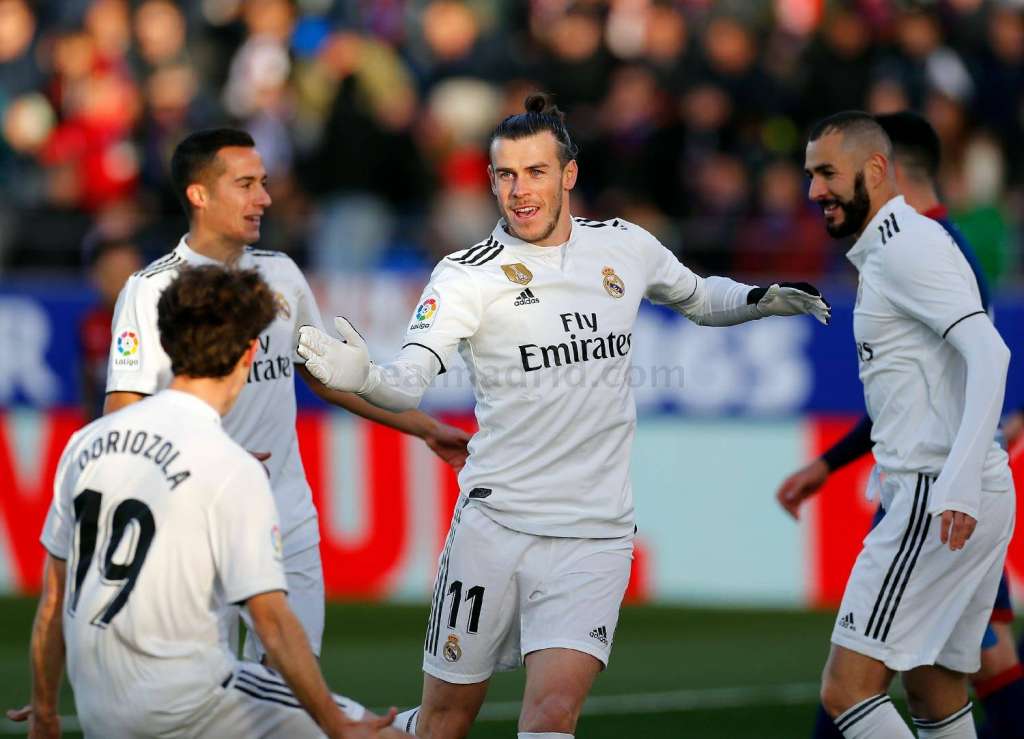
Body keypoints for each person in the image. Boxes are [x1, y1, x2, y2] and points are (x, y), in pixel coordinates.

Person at [297, 93, 832, 739]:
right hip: (496, 527)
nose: (520, 190)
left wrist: (759, 298)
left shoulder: (624, 247)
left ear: (569, 174)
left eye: (535, 171)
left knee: (552, 715)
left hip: (595, 534)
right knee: (445, 724)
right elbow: (412, 375)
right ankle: (372, 729)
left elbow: (698, 295)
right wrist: (369, 378)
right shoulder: (466, 276)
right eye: (506, 175)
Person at [103, 128, 470, 662]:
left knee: (291, 689)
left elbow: (323, 377)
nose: (265, 199)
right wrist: (202, 461)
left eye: (265, 183)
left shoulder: (281, 275)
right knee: (205, 690)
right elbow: (123, 412)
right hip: (193, 518)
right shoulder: (153, 290)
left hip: (285, 515)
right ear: (198, 194)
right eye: (246, 184)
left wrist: (426, 428)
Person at [8, 265, 404, 738]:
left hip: (99, 705)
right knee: (377, 732)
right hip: (189, 700)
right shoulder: (231, 464)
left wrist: (47, 710)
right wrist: (336, 723)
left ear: (169, 346)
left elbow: (54, 598)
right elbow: (272, 624)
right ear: (249, 353)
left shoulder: (86, 443)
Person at [777, 111, 1024, 739]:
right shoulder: (895, 247)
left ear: (878, 170)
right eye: (810, 176)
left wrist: (960, 483)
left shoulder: (905, 247)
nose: (814, 192)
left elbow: (990, 354)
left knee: (845, 692)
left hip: (930, 496)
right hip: (950, 493)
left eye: (827, 173)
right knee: (934, 687)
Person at [77, 234, 142, 421]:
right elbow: (86, 384)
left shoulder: (155, 321)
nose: (121, 280)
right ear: (96, 277)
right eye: (112, 272)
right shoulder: (90, 325)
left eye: (127, 271)